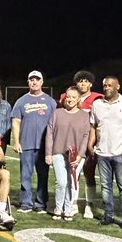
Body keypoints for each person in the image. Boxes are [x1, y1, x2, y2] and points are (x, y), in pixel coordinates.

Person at [89, 76, 122, 230]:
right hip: (103, 152)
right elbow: (94, 126)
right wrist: (91, 144)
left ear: (118, 86)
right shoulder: (97, 104)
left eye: (110, 85)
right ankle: (108, 214)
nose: (106, 88)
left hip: (121, 152)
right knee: (105, 187)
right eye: (104, 85)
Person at [11, 71, 57, 213]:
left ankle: (41, 203)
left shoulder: (50, 101)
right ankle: (26, 203)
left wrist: (53, 145)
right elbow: (16, 122)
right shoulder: (21, 101)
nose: (34, 82)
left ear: (42, 82)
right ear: (28, 82)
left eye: (37, 80)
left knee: (43, 175)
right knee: (25, 175)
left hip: (44, 146)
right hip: (26, 144)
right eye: (32, 80)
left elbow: (56, 124)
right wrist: (16, 141)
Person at [46, 87, 91, 221]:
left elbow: (85, 136)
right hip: (59, 152)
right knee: (61, 182)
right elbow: (49, 134)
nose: (70, 99)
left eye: (73, 97)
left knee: (71, 181)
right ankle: (58, 207)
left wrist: (80, 155)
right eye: (68, 97)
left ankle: (68, 208)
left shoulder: (84, 115)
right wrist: (48, 153)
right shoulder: (57, 113)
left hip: (76, 156)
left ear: (78, 99)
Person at [74, 70, 103, 219]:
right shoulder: (70, 97)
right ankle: (72, 202)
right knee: (73, 173)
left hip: (92, 141)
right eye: (80, 81)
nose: (83, 83)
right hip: (75, 141)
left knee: (89, 173)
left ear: (90, 83)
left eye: (86, 81)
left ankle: (90, 204)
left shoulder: (98, 99)